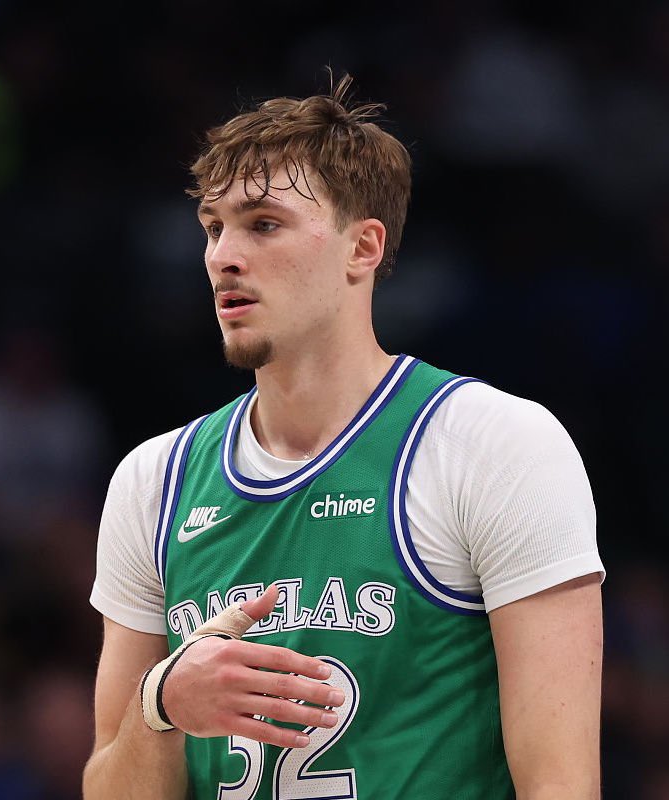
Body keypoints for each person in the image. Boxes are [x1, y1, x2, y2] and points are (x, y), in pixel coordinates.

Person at [83, 73, 605, 799]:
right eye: (213, 227)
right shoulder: (154, 479)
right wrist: (162, 703)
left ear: (363, 248)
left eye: (263, 224)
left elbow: (562, 783)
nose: (223, 255)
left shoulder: (493, 443)